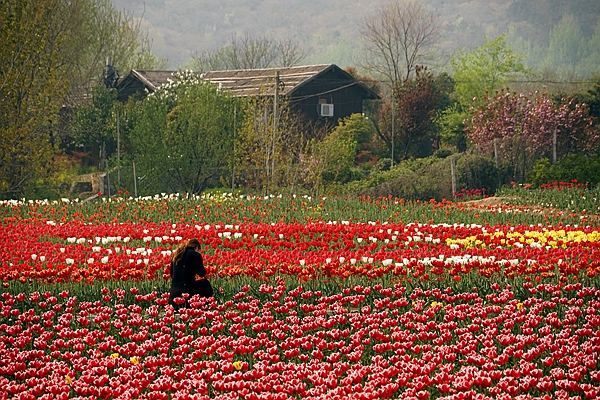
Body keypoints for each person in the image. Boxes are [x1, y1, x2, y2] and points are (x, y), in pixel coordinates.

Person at [169, 238, 213, 309]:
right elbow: (202, 273)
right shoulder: (196, 255)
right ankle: (205, 306)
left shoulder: (177, 255)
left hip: (174, 294)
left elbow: (172, 275)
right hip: (187, 292)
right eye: (199, 250)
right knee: (205, 284)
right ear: (196, 248)